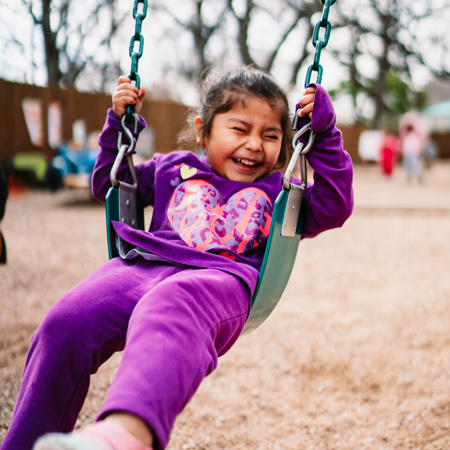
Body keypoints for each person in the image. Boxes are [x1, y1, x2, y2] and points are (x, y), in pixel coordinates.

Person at [2, 67, 353, 450]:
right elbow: (109, 185)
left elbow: (335, 205)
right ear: (204, 130)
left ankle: (124, 435)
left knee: (168, 304)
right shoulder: (172, 168)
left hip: (218, 281)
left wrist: (325, 134)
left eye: (271, 135)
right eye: (239, 129)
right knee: (66, 321)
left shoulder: (280, 190)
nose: (255, 144)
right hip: (142, 266)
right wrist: (120, 127)